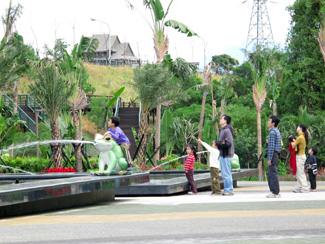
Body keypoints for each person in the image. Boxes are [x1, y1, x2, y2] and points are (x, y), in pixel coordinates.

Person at [266, 115, 282, 198]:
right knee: (273, 173)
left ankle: (274, 192)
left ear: (273, 123)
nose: (268, 122)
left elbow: (271, 147)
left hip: (273, 155)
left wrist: (269, 158)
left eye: (269, 121)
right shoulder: (277, 131)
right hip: (276, 155)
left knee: (272, 174)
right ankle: (276, 191)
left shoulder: (272, 132)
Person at [219, 115, 235, 196]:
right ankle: (227, 189)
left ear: (225, 121)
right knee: (225, 173)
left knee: (226, 173)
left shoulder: (227, 130)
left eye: (221, 118)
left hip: (226, 154)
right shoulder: (223, 130)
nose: (220, 120)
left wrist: (219, 143)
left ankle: (229, 190)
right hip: (223, 154)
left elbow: (229, 142)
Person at [291, 124, 309, 193]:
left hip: (300, 157)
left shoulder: (300, 137)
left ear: (300, 129)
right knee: (298, 172)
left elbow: (293, 146)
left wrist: (292, 142)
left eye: (298, 127)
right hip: (300, 156)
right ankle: (299, 187)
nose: (297, 128)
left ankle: (305, 187)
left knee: (300, 172)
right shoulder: (301, 137)